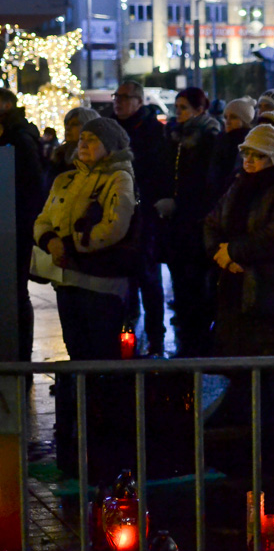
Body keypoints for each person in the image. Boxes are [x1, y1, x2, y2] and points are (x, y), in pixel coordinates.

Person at [203, 123, 274, 487]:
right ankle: (252, 471)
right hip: (240, 306)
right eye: (246, 153)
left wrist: (236, 252)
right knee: (249, 394)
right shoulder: (238, 186)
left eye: (257, 155)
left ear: (273, 157)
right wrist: (221, 255)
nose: (249, 160)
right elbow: (212, 223)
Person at [34, 118, 136, 469]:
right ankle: (80, 435)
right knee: (77, 354)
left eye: (92, 140)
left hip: (100, 284)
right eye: (82, 139)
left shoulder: (118, 178)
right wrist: (51, 242)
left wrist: (73, 245)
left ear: (110, 146)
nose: (83, 144)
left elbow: (115, 225)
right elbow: (43, 219)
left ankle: (105, 437)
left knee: (100, 359)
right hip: (68, 282)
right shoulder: (66, 178)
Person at [158, 87, 221, 356]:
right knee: (181, 282)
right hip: (176, 221)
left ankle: (198, 341)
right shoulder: (175, 136)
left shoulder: (209, 136)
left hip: (196, 220)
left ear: (199, 109)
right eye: (177, 107)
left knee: (196, 283)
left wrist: (183, 203)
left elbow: (206, 182)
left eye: (184, 107)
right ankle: (186, 337)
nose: (178, 112)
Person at [112, 80, 168, 356]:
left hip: (144, 214)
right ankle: (127, 339)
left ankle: (156, 339)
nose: (118, 101)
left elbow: (157, 171)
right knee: (123, 281)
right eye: (117, 96)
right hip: (117, 212)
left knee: (148, 277)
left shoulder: (153, 130)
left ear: (139, 100)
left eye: (125, 97)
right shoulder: (111, 128)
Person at [0, 87, 44, 362]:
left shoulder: (19, 138)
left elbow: (31, 185)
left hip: (15, 226)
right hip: (12, 223)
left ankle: (20, 355)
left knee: (16, 292)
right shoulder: (13, 135)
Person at [208, 96, 255, 202]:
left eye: (233, 117)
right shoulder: (221, 140)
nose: (227, 121)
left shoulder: (249, 143)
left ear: (244, 120)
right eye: (226, 117)